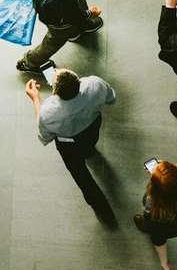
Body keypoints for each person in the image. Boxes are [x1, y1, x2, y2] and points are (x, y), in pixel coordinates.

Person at [24, 69, 116, 223]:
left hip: (69, 143)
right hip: (92, 126)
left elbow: (45, 136)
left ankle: (99, 206)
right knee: (90, 144)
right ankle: (88, 151)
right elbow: (111, 98)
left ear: (55, 92)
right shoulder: (95, 83)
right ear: (78, 81)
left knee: (79, 173)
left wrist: (35, 98)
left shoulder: (48, 112)